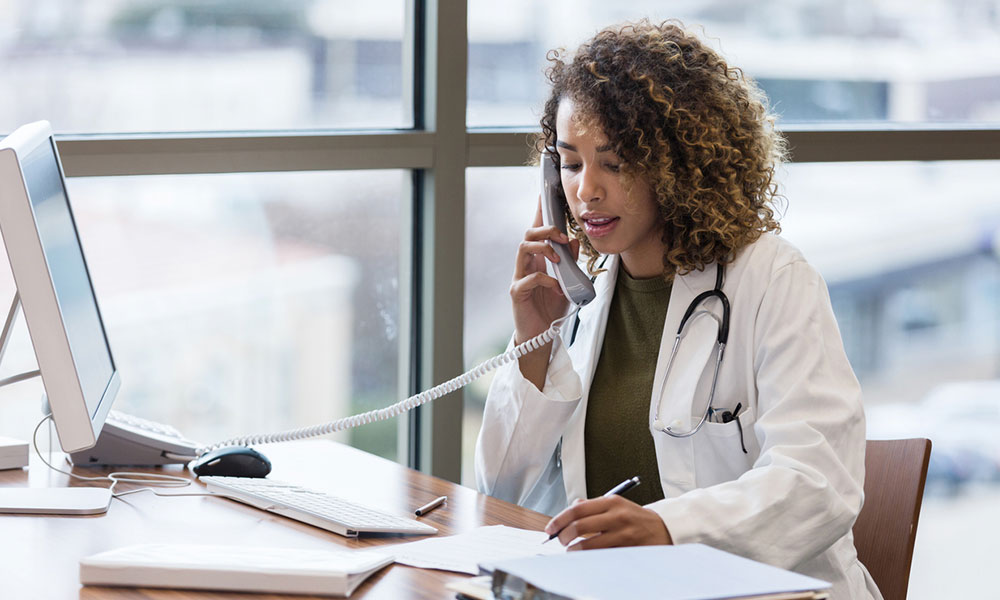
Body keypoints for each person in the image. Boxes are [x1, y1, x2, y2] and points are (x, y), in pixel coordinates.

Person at [474, 20, 881, 600]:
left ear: (679, 164)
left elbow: (817, 483)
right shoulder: (579, 298)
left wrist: (670, 527)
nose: (586, 190)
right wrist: (535, 344)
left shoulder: (772, 279)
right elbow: (500, 491)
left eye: (613, 163)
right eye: (569, 163)